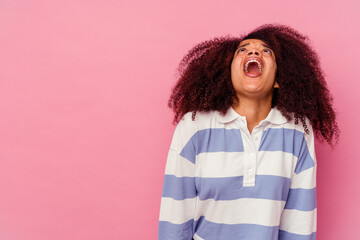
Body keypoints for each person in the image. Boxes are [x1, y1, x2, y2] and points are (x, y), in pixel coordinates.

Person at [158, 24, 339, 240]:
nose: (253, 52)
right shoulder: (195, 126)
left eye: (266, 51)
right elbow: (175, 217)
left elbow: (299, 221)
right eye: (242, 50)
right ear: (228, 74)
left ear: (279, 79)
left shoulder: (297, 131)